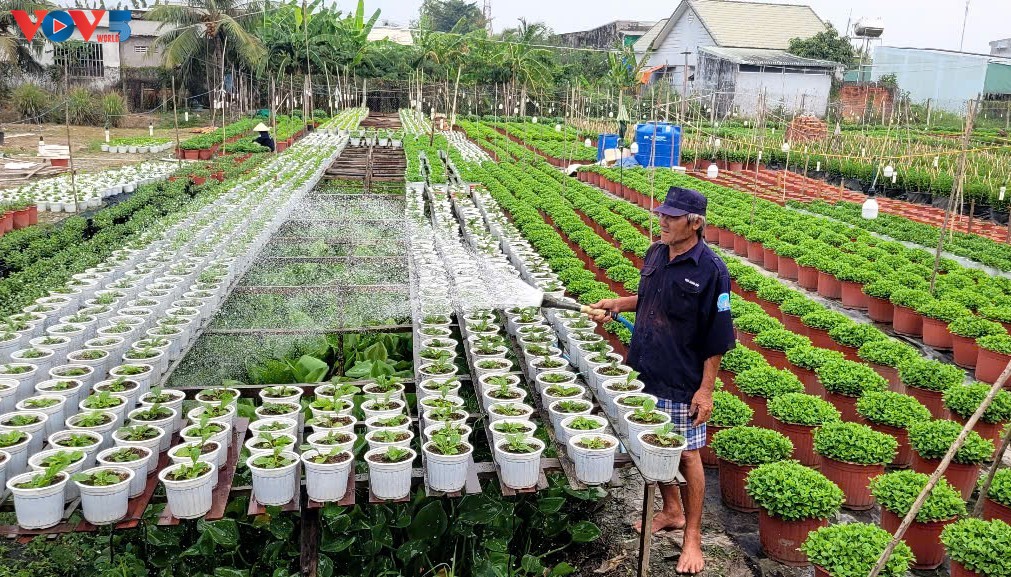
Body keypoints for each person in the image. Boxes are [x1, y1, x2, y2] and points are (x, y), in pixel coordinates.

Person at [588, 186, 735, 575]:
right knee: (653, 444)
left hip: (681, 377)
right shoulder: (656, 253)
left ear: (695, 223)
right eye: (662, 214)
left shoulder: (712, 271)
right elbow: (651, 297)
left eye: (671, 217)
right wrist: (618, 303)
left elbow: (717, 337)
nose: (663, 221)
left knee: (687, 455)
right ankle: (671, 510)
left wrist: (706, 390)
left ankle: (693, 536)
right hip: (643, 369)